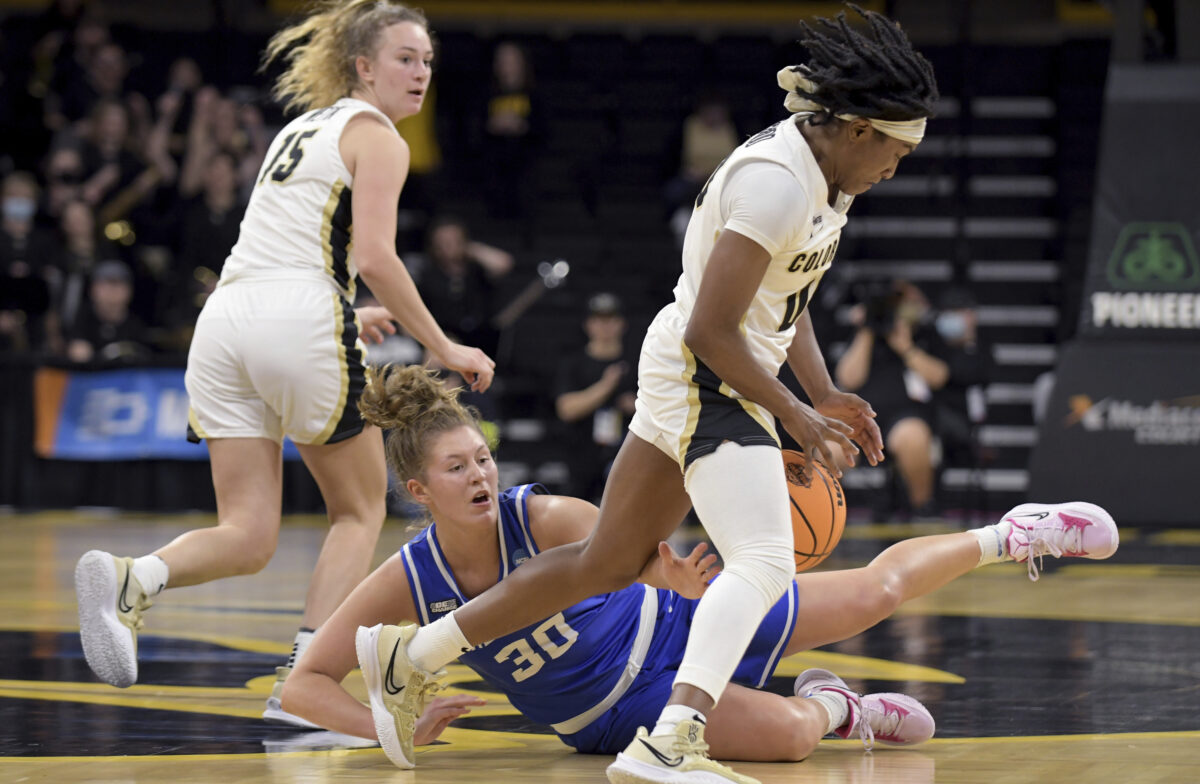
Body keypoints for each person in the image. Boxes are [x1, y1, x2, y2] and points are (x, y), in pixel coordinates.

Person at [355, 8, 957, 783]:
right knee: (766, 559)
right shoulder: (776, 185)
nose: (896, 169)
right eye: (898, 152)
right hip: (707, 372)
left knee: (607, 561)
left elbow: (785, 295)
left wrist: (824, 388)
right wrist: (797, 416)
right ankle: (673, 738)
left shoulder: (827, 174)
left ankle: (416, 652)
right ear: (859, 129)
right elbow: (715, 330)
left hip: (701, 364)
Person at [282, 364, 1119, 770]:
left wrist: (675, 573)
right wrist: (388, 726)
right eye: (458, 469)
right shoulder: (410, 577)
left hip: (681, 627)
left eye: (482, 457)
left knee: (873, 592)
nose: (481, 475)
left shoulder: (541, 516)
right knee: (790, 739)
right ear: (418, 488)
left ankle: (1014, 536)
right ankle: (834, 707)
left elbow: (642, 548)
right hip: (617, 716)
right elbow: (303, 684)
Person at [73, 0, 495, 731]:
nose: (421, 71)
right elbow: (374, 258)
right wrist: (445, 344)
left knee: (248, 532)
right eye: (404, 57)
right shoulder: (382, 138)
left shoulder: (298, 129)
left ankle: (132, 578)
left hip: (228, 320)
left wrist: (340, 311)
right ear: (363, 66)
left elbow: (292, 247)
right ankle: (307, 686)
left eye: (427, 59)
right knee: (359, 510)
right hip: (295, 318)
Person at [834, 279, 943, 517]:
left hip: (906, 415)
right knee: (832, 448)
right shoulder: (864, 334)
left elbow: (939, 377)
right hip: (861, 416)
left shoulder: (924, 334)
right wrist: (867, 330)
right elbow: (848, 378)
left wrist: (906, 347)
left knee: (911, 437)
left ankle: (922, 509)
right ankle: (825, 512)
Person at [553, 292, 638, 502]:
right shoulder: (573, 363)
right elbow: (566, 408)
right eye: (599, 320)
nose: (605, 327)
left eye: (611, 320)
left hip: (626, 453)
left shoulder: (637, 362)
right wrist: (605, 387)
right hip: (582, 454)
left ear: (621, 323)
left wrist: (637, 405)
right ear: (588, 324)